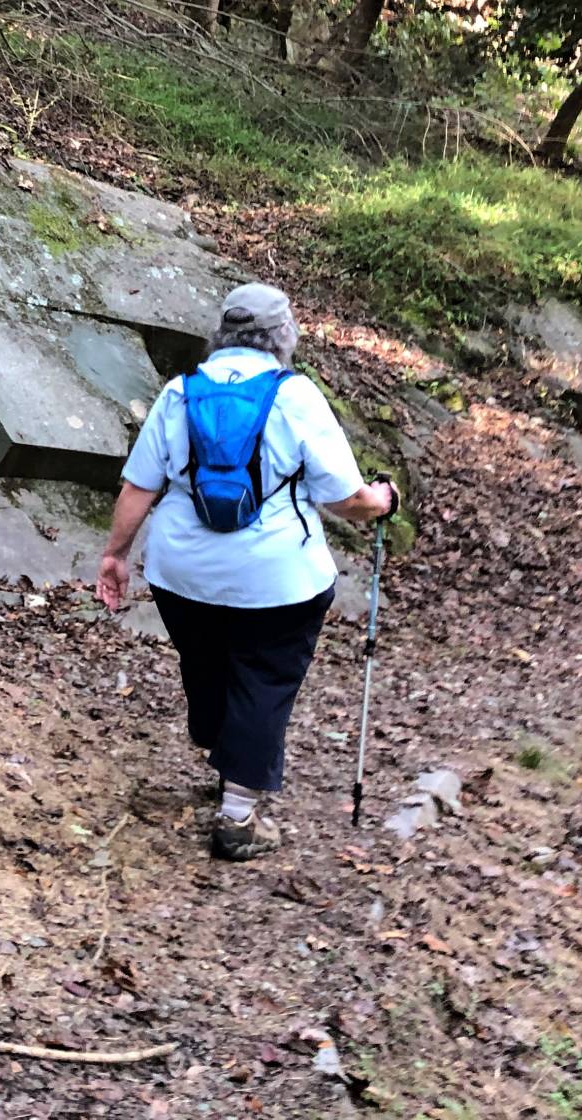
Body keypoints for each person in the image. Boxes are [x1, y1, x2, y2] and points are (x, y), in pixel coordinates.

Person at [97, 283, 399, 861]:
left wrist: (115, 555)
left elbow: (139, 486)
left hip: (182, 574)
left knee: (206, 661)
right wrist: (381, 501)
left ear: (223, 333)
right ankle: (237, 820)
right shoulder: (297, 396)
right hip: (278, 579)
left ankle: (222, 747)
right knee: (264, 678)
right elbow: (345, 499)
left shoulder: (180, 393)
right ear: (284, 336)